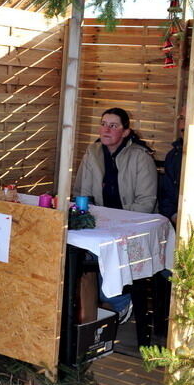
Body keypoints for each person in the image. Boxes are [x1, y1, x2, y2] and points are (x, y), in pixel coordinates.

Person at [73, 108, 157, 321]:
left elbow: (146, 204)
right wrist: (88, 217)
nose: (106, 129)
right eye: (103, 124)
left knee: (103, 252)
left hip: (134, 226)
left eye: (113, 126)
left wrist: (113, 221)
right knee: (77, 250)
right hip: (101, 223)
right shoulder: (92, 152)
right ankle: (83, 308)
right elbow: (81, 193)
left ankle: (121, 302)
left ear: (126, 132)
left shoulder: (140, 157)